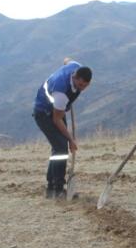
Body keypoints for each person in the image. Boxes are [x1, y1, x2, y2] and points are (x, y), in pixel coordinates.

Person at [32, 59, 92, 199]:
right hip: (44, 113)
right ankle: (57, 189)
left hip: (57, 110)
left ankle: (51, 188)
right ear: (74, 77)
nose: (82, 88)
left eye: (86, 86)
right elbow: (56, 119)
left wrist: (66, 62)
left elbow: (67, 60)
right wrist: (71, 140)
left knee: (58, 147)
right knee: (61, 149)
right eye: (80, 85)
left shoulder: (76, 66)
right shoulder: (61, 92)